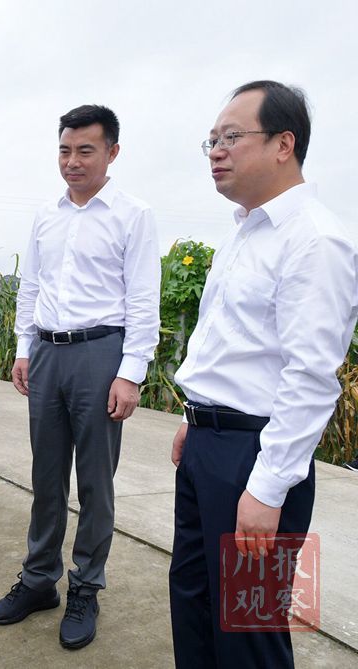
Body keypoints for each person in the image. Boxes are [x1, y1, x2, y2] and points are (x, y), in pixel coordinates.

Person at [169, 80, 358, 668]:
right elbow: (231, 343)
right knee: (194, 605)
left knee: (249, 632)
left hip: (255, 457)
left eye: (231, 137)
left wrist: (267, 487)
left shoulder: (315, 241)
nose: (216, 151)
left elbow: (310, 377)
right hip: (207, 446)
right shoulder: (243, 231)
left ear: (284, 144)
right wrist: (193, 416)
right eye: (211, 141)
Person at [0, 104, 160, 650]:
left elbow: (143, 299)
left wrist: (130, 373)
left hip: (100, 353)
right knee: (46, 476)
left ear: (112, 152)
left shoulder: (133, 215)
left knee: (95, 481)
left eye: (85, 150)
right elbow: (31, 285)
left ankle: (86, 586)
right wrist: (23, 348)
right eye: (65, 150)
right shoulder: (47, 214)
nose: (72, 161)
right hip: (47, 352)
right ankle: (40, 579)